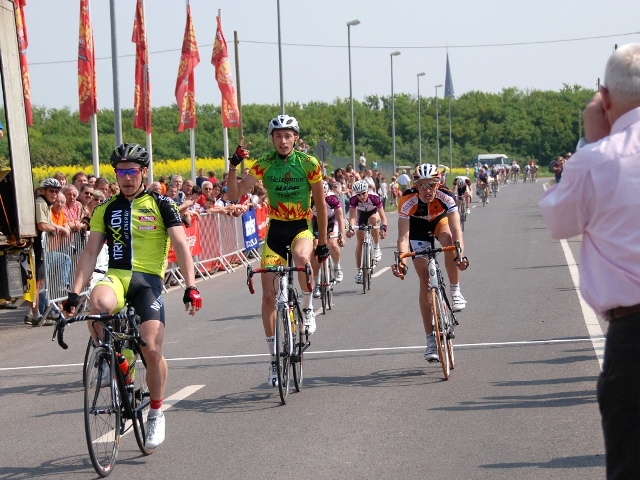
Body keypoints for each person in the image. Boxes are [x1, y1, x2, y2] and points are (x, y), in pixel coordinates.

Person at [539, 43, 640, 480]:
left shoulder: (597, 160)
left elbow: (559, 221)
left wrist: (594, 142)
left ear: (605, 98)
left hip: (633, 332)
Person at [62, 143, 202, 449]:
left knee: (151, 348)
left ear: (143, 172)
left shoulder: (162, 205)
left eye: (132, 171)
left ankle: (156, 413)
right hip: (117, 276)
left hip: (148, 281)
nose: (126, 177)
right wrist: (73, 293)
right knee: (97, 304)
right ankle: (110, 360)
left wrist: (190, 286)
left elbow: (181, 246)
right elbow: (90, 253)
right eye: (121, 171)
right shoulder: (105, 208)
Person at [227, 115, 328, 387]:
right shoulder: (264, 163)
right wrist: (233, 166)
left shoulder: (309, 163)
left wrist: (322, 242)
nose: (283, 141)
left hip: (301, 227)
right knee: (269, 297)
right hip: (275, 232)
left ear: (295, 138)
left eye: (288, 136)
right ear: (272, 139)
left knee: (302, 258)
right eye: (278, 136)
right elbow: (234, 194)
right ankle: (273, 359)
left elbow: (320, 205)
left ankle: (307, 308)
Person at [392, 164, 469, 361]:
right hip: (417, 229)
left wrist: (460, 256)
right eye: (422, 186)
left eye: (431, 185)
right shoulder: (407, 200)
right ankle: (431, 340)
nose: (427, 190)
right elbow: (403, 237)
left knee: (449, 242)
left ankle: (455, 290)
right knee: (424, 279)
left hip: (439, 222)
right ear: (416, 186)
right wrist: (402, 262)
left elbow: (457, 230)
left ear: (438, 184)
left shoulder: (446, 196)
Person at [345, 179, 387, 283]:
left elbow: (383, 217)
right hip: (362, 215)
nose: (361, 196)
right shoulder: (353, 199)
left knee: (372, 220)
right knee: (359, 243)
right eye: (358, 194)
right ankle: (359, 272)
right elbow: (353, 217)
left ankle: (376, 247)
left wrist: (384, 228)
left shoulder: (374, 198)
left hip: (374, 213)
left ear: (367, 191)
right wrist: (351, 228)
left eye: (363, 193)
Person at [311, 180, 346, 295]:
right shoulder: (310, 200)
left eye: (323, 195)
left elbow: (340, 218)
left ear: (326, 193)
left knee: (332, 243)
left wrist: (342, 236)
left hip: (331, 221)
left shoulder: (332, 199)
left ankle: (337, 266)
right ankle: (316, 283)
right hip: (317, 222)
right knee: (315, 250)